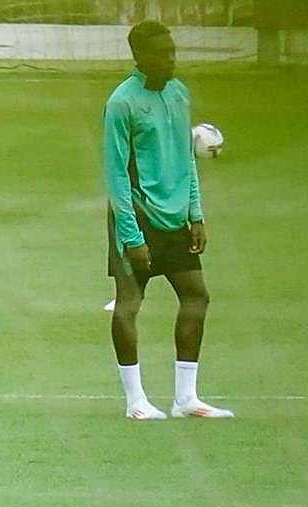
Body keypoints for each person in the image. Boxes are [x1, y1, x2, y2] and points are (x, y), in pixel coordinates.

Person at [104, 20, 233, 420]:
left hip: (176, 217)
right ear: (139, 57)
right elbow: (116, 175)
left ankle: (185, 398)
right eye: (162, 52)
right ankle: (136, 401)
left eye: (173, 50)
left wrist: (196, 214)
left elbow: (186, 160)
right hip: (137, 217)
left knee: (196, 296)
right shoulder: (121, 103)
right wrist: (131, 235)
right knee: (129, 304)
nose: (171, 58)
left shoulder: (179, 94)